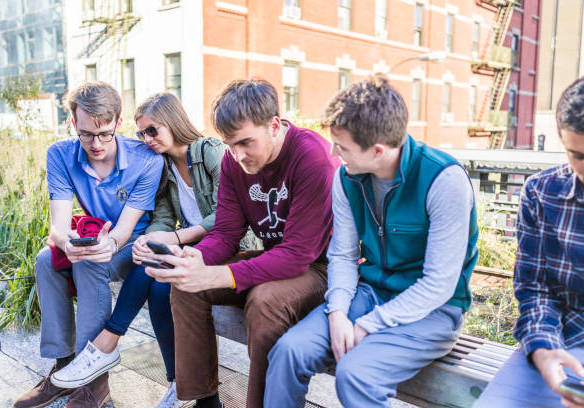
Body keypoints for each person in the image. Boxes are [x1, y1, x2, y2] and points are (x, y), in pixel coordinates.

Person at [263, 75, 479, 407]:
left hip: (434, 310)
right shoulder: (346, 178)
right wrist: (337, 312)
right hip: (369, 293)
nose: (333, 152)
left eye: (342, 146)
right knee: (289, 352)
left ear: (378, 151)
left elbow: (439, 284)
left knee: (355, 374)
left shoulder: (443, 180)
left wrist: (367, 325)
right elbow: (344, 255)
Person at [145, 78, 338, 408]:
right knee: (186, 284)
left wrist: (220, 276)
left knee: (266, 301)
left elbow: (297, 256)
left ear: (274, 125)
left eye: (246, 142)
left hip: (321, 268)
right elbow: (224, 234)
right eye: (230, 144)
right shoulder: (234, 161)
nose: (237, 154)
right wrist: (192, 258)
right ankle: (205, 402)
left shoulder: (312, 157)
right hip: (276, 259)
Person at [48, 92, 225, 407]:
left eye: (152, 130)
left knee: (150, 271)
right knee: (157, 286)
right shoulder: (164, 166)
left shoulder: (209, 152)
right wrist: (149, 240)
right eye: (141, 132)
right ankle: (178, 382)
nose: (146, 138)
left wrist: (176, 238)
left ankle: (107, 342)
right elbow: (163, 218)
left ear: (173, 122)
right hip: (190, 246)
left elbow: (228, 214)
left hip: (225, 242)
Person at [13, 82, 164, 408]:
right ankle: (63, 368)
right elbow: (59, 223)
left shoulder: (147, 161)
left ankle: (94, 383)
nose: (95, 144)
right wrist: (67, 243)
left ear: (118, 122)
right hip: (89, 235)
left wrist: (107, 244)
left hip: (129, 245)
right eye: (85, 134)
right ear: (73, 124)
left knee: (90, 262)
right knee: (45, 260)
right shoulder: (60, 154)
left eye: (104, 134)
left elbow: (124, 230)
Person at [473, 78, 584, 408]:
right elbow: (535, 289)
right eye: (577, 155)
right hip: (562, 338)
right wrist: (545, 351)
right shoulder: (542, 192)